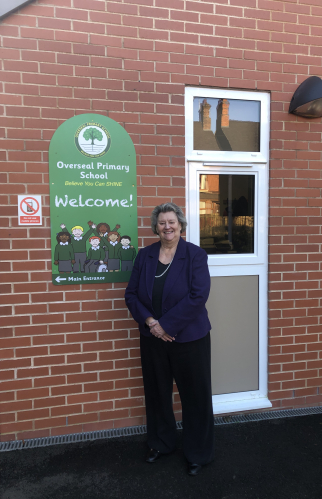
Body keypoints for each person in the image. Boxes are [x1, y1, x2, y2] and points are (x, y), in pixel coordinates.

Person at [125, 202, 214, 476]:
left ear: (181, 225)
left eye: (172, 222)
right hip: (152, 338)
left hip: (189, 338)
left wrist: (167, 325)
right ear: (156, 227)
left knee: (195, 397)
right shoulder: (145, 256)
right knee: (157, 393)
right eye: (162, 222)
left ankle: (197, 452)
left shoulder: (195, 255)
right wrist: (152, 323)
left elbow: (198, 296)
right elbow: (131, 295)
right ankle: (162, 444)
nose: (167, 227)